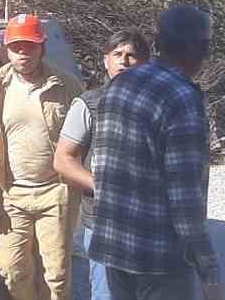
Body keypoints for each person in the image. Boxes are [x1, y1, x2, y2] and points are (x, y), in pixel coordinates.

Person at [90, 5, 223, 300]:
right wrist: (209, 271)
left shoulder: (119, 86)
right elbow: (185, 198)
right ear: (199, 48)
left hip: (114, 250)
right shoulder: (181, 96)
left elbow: (102, 168)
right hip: (159, 258)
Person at [0, 13, 85, 300]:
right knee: (12, 270)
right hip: (11, 195)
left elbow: (86, 139)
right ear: (7, 49)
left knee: (56, 274)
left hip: (56, 192)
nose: (23, 53)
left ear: (42, 48)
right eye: (17, 46)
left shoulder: (67, 86)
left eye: (30, 46)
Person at [56, 30, 150, 300]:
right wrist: (100, 186)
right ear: (105, 60)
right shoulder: (88, 105)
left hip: (149, 221)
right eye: (117, 54)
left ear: (145, 63)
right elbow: (63, 159)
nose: (124, 61)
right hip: (103, 221)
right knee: (108, 294)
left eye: (132, 55)